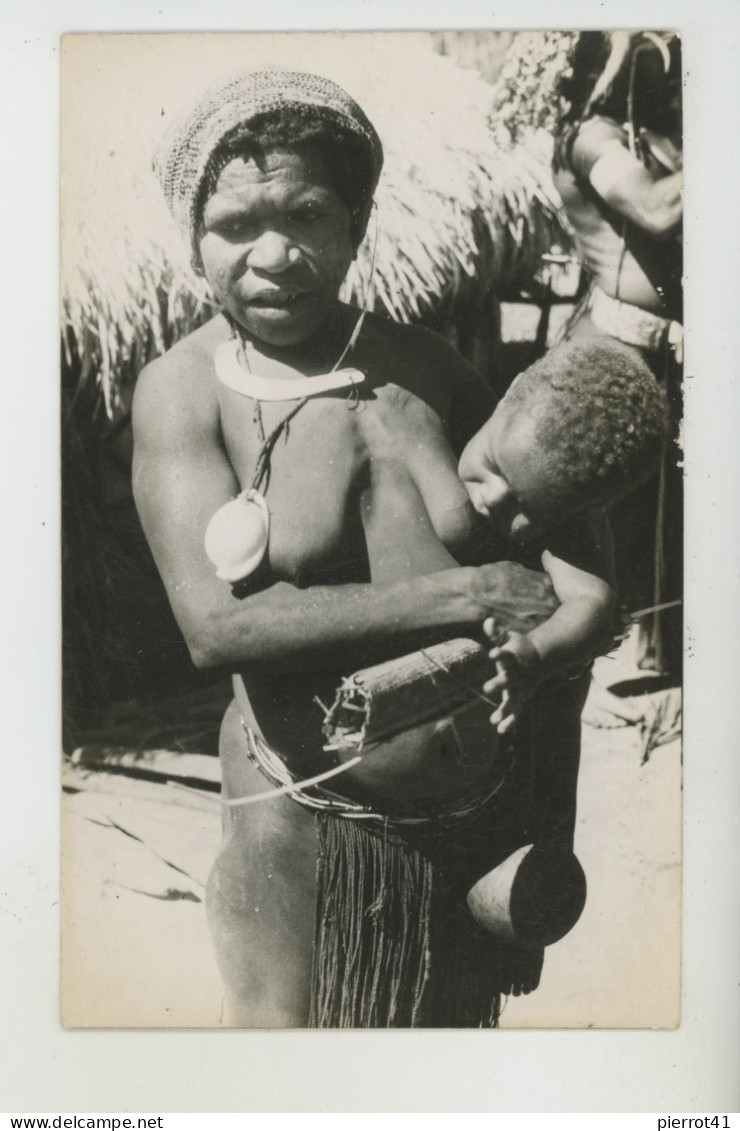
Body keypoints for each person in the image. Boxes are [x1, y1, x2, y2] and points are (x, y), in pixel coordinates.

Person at [133, 68, 602, 1029]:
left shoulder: (432, 372)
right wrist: (463, 591)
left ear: (354, 222)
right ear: (193, 243)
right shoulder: (184, 392)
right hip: (303, 828)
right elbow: (215, 627)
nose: (275, 254)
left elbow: (565, 607)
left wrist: (544, 831)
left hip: (478, 832)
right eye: (235, 226)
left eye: (307, 215)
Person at [551, 31, 683, 675]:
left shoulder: (650, 139)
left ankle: (656, 647)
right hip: (618, 345)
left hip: (661, 350)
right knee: (612, 506)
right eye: (650, 62)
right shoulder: (589, 138)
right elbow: (656, 211)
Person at [459, 337, 669, 735]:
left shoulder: (569, 520)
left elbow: (592, 599)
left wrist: (535, 653)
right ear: (508, 395)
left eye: (527, 509)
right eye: (495, 465)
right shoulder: (452, 409)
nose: (492, 498)